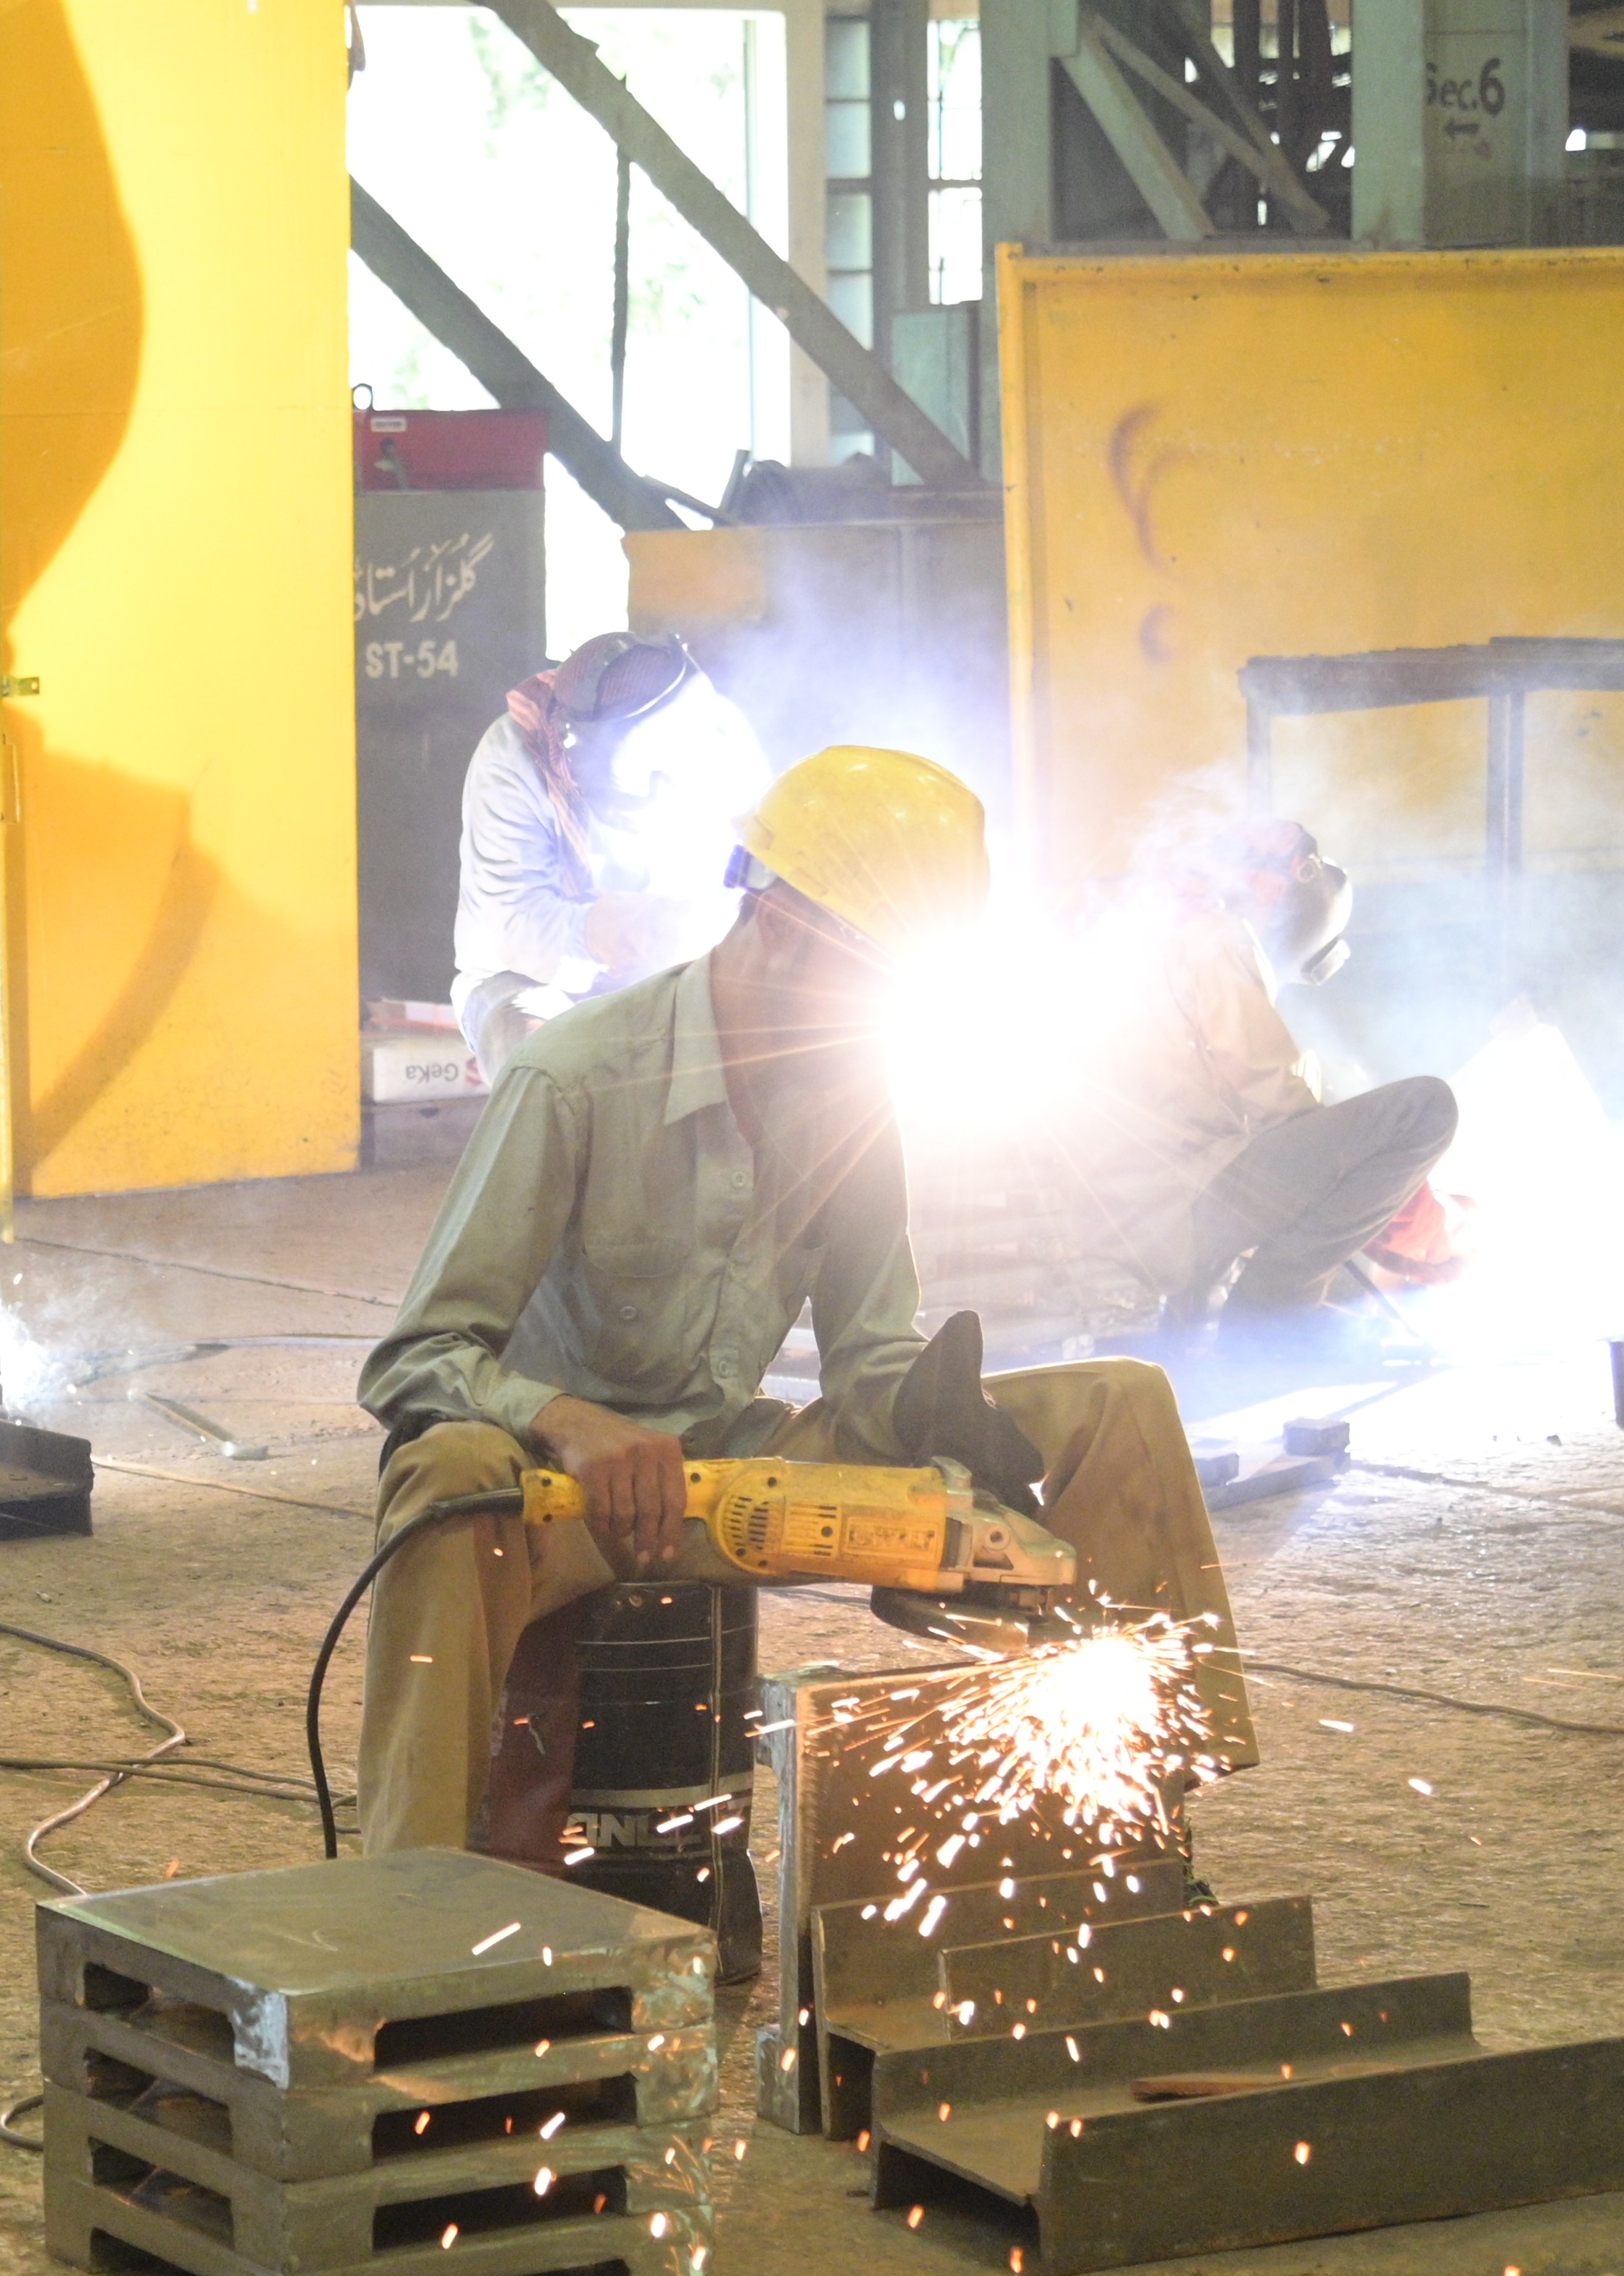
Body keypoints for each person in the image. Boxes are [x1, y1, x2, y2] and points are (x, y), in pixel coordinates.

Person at [355, 747, 1255, 1867]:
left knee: (1117, 1401)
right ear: (775, 924)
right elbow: (413, 1359)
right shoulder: (576, 1078)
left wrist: (937, 1413)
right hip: (565, 1502)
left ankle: (1143, 1809)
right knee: (439, 1480)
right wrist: (569, 1421)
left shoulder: (855, 1089)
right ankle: (408, 1900)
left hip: (738, 1479)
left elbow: (869, 1356)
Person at [1087, 819, 1456, 1353]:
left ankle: (1255, 1324)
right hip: (1168, 1209)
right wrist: (1417, 1229)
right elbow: (1277, 1102)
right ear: (1281, 886)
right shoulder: (1212, 935)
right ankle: (1268, 1327)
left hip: (1126, 1201)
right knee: (1426, 1109)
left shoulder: (1134, 924)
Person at [451, 632, 772, 1066]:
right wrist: (635, 931)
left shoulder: (721, 737)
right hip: (530, 981)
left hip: (677, 975)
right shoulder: (514, 759)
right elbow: (518, 927)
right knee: (540, 1058)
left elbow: (760, 866)